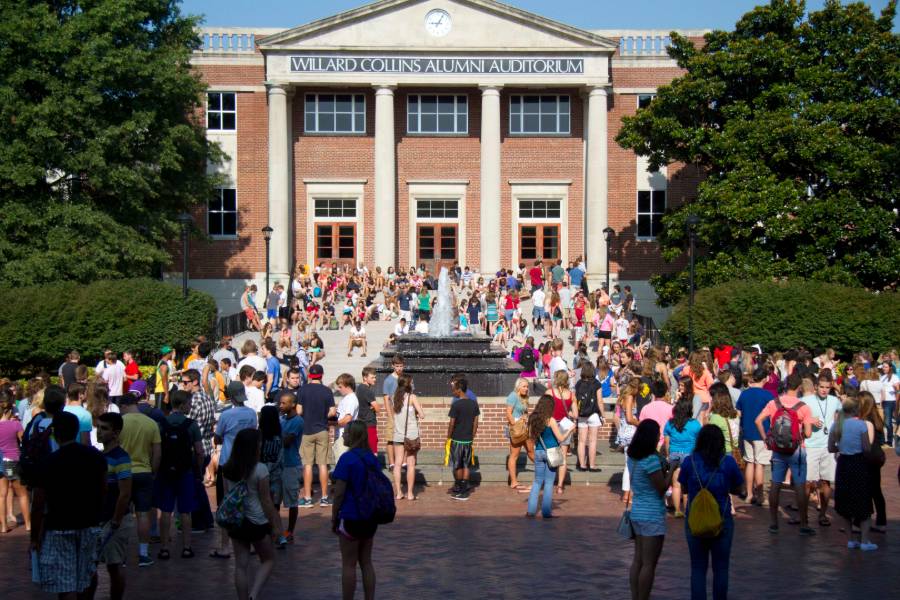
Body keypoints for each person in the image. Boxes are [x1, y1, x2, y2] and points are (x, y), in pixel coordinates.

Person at [30, 412, 107, 599]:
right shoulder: (95, 457)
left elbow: (38, 502)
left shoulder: (48, 462)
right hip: (89, 523)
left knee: (65, 582)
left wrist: (35, 536)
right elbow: (103, 490)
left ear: (56, 433)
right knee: (87, 574)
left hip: (59, 526)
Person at [679, 425, 745, 600]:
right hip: (722, 517)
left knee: (698, 567)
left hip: (695, 518)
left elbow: (684, 488)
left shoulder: (690, 461)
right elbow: (739, 488)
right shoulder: (728, 462)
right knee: (721, 567)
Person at [222, 429, 283, 600]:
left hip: (236, 520)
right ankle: (253, 595)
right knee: (268, 559)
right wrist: (276, 524)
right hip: (257, 520)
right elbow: (266, 501)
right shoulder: (260, 469)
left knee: (240, 565)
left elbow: (227, 496)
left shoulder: (227, 468)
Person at [754, 372, 816, 535]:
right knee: (800, 486)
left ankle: (774, 523)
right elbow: (808, 434)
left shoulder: (774, 403)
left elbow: (758, 420)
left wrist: (766, 438)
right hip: (797, 449)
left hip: (778, 450)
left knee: (775, 484)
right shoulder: (803, 407)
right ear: (799, 387)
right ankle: (803, 524)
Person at [331, 421, 380, 600]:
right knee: (366, 562)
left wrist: (334, 515)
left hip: (351, 515)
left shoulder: (347, 459)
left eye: (346, 433)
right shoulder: (371, 458)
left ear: (352, 436)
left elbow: (339, 493)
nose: (343, 435)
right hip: (369, 516)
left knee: (349, 564)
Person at [627, 419, 674, 600]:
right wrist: (672, 470)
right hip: (652, 513)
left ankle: (635, 596)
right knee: (649, 564)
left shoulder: (633, 458)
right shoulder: (651, 460)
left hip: (637, 510)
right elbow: (661, 487)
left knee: (638, 560)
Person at [211, 381, 258, 559]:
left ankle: (225, 546)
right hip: (248, 462)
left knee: (225, 503)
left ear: (230, 395)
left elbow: (217, 438)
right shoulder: (251, 413)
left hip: (228, 462)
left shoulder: (226, 415)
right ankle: (251, 542)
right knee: (248, 500)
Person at [154, 390, 203, 560]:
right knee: (185, 510)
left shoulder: (162, 423)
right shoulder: (191, 425)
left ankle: (164, 547)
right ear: (182, 405)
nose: (190, 406)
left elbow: (157, 451)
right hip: (185, 472)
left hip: (166, 471)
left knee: (166, 510)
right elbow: (199, 451)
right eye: (189, 403)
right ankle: (187, 547)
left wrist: (156, 469)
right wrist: (199, 469)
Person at [118, 387, 161, 567]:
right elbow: (157, 453)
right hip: (144, 471)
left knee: (123, 515)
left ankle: (122, 555)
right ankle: (143, 554)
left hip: (123, 472)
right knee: (143, 514)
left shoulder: (120, 422)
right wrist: (153, 472)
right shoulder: (151, 423)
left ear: (125, 406)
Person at [829, 397, 877, 551]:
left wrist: (842, 448)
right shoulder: (861, 425)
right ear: (857, 410)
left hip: (843, 464)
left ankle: (850, 540)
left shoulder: (837, 425)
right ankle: (864, 540)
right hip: (858, 464)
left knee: (845, 503)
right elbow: (866, 448)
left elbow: (830, 448)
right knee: (863, 502)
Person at [95, 413, 133, 600]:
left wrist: (116, 520)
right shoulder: (102, 456)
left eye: (104, 428)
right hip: (102, 519)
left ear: (116, 432)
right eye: (98, 427)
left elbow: (124, 493)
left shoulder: (121, 457)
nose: (99, 432)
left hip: (114, 520)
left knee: (114, 565)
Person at [800, 373, 842, 527]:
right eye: (822, 387)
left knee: (826, 481)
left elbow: (842, 415)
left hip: (828, 446)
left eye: (827, 387)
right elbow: (796, 418)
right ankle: (803, 516)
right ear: (816, 386)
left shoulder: (834, 400)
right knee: (808, 482)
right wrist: (809, 421)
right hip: (811, 446)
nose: (824, 390)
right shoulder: (805, 400)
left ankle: (823, 514)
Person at [524, 394, 574, 518]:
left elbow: (530, 435)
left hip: (539, 451)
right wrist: (570, 430)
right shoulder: (550, 420)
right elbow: (561, 438)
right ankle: (546, 512)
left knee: (537, 481)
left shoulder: (533, 418)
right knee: (549, 482)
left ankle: (530, 511)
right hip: (551, 452)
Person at [298, 363, 336, 507]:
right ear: (321, 375)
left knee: (307, 465)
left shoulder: (302, 390)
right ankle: (324, 497)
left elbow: (299, 411)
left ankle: (308, 498)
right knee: (323, 464)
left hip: (306, 430)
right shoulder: (327, 391)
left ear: (309, 375)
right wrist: (323, 415)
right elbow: (332, 411)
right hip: (322, 429)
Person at [735, 368, 775, 505]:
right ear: (764, 379)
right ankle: (760, 496)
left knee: (749, 462)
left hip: (747, 431)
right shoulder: (768, 395)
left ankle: (749, 494)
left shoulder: (744, 394)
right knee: (760, 464)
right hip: (761, 432)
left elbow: (738, 412)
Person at [664, 394, 702, 518]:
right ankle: (687, 510)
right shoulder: (695, 424)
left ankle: (677, 510)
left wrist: (668, 454)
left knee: (676, 484)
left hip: (674, 454)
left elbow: (667, 442)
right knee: (687, 485)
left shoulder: (670, 423)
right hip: (689, 456)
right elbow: (698, 442)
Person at [857, 391, 887, 532]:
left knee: (864, 489)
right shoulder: (876, 418)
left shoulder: (865, 420)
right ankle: (881, 522)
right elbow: (880, 440)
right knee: (876, 490)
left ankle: (860, 522)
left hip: (868, 457)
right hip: (877, 456)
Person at [276, 390, 303, 543]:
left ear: (293, 404)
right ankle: (277, 529)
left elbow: (287, 441)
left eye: (284, 403)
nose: (281, 405)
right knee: (275, 499)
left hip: (291, 465)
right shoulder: (282, 419)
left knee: (292, 500)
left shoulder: (298, 421)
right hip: (279, 464)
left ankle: (290, 531)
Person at [447, 376, 480, 501]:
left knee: (457, 465)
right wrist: (472, 435)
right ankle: (465, 490)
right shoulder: (473, 404)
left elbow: (452, 423)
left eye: (454, 389)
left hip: (457, 439)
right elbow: (476, 422)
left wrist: (448, 437)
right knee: (466, 465)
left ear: (459, 390)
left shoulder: (456, 405)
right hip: (468, 439)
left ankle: (461, 489)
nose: (453, 392)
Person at [0, 392, 29, 533]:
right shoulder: (15, 425)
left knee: (2, 495)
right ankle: (28, 524)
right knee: (22, 493)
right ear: (10, 411)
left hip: (1, 462)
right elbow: (24, 441)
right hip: (14, 460)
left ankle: (4, 525)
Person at [392, 374, 423, 500]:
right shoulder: (412, 397)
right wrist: (417, 411)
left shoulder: (396, 398)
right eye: (412, 382)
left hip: (398, 434)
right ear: (408, 384)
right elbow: (422, 415)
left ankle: (399, 492)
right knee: (411, 464)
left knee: (397, 464)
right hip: (411, 435)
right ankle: (410, 493)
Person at [549, 370, 575, 495]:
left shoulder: (550, 392)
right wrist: (567, 413)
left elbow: (544, 408)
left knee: (551, 452)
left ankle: (550, 481)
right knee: (563, 456)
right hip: (565, 424)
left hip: (552, 423)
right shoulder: (571, 395)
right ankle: (560, 486)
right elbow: (575, 414)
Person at [574, 363, 603, 472]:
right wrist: (603, 414)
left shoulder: (578, 383)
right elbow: (600, 401)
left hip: (582, 415)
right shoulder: (596, 383)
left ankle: (582, 465)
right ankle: (592, 465)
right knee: (592, 441)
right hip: (593, 414)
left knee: (581, 441)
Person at [505, 378, 530, 490]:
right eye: (524, 386)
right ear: (518, 386)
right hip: (516, 429)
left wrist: (525, 418)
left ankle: (543, 474)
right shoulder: (513, 396)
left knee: (531, 451)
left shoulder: (524, 397)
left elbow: (524, 412)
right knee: (514, 455)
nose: (526, 388)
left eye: (527, 386)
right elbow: (508, 413)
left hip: (524, 428)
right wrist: (515, 424)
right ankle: (513, 481)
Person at [381, 356, 404, 471]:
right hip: (393, 413)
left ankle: (403, 462)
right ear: (393, 366)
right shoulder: (388, 380)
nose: (399, 368)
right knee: (390, 439)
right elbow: (386, 399)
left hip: (404, 414)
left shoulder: (406, 379)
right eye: (397, 366)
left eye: (401, 366)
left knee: (404, 438)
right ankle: (391, 463)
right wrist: (390, 415)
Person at [334, 374, 359, 464]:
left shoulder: (351, 399)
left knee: (342, 465)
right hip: (341, 436)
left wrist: (333, 424)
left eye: (340, 387)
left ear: (347, 386)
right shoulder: (346, 398)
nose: (338, 389)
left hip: (344, 437)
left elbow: (347, 419)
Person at [356, 367, 380, 454]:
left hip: (361, 422)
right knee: (373, 449)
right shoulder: (368, 391)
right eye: (372, 377)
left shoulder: (359, 388)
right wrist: (374, 407)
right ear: (365, 378)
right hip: (369, 422)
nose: (375, 379)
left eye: (375, 377)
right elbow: (377, 408)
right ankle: (372, 467)